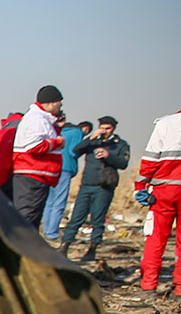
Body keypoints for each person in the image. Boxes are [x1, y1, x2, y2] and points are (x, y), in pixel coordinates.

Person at [58, 117, 129, 261]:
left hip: (104, 186)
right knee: (76, 217)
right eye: (102, 127)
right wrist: (91, 138)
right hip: (86, 184)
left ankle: (92, 249)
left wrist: (109, 156)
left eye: (108, 128)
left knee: (97, 219)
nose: (105, 131)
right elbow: (75, 150)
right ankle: (64, 246)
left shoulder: (120, 144)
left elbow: (123, 163)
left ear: (114, 128)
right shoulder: (93, 142)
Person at [136, 108, 181, 292]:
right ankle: (179, 288)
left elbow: (150, 159)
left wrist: (140, 186)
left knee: (155, 238)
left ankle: (148, 284)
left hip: (164, 191)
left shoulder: (166, 123)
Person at [11, 85, 66, 227]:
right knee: (27, 218)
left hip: (36, 176)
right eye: (59, 103)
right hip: (32, 177)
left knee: (31, 217)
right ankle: (22, 246)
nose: (60, 107)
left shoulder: (42, 119)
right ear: (52, 103)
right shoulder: (37, 119)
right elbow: (33, 146)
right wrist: (57, 143)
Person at [42, 117, 90, 240]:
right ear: (86, 128)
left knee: (50, 201)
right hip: (66, 168)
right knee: (59, 202)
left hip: (52, 167)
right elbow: (74, 152)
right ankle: (52, 233)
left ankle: (46, 229)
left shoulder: (60, 130)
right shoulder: (78, 133)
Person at [0, 110, 23, 199]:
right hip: (7, 177)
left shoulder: (9, 125)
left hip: (1, 175)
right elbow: (5, 156)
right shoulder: (15, 126)